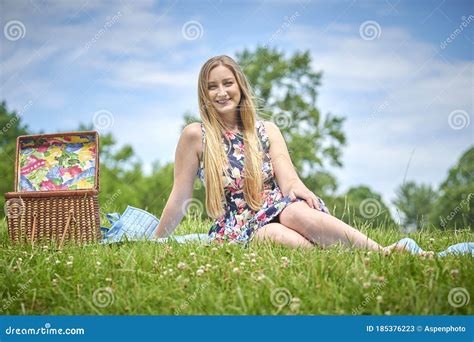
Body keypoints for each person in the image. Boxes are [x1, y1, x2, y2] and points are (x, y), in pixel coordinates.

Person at [153, 55, 422, 254]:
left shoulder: (267, 130)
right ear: (204, 93)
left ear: (240, 87)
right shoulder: (195, 135)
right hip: (239, 226)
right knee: (273, 234)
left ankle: (382, 253)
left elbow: (289, 180)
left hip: (278, 207)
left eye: (227, 83)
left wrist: (303, 194)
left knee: (295, 213)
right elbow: (180, 197)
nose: (221, 92)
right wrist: (156, 242)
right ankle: (343, 259)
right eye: (212, 87)